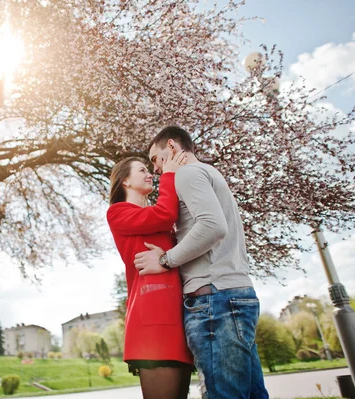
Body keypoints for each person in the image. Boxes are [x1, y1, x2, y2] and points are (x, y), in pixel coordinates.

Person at [134, 126, 269, 399]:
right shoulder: (209, 172)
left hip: (214, 302)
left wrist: (165, 260)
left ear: (171, 147)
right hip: (233, 296)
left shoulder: (187, 173)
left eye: (155, 159)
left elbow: (212, 226)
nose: (156, 170)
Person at [106, 151, 193, 399]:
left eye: (149, 169)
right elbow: (164, 214)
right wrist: (169, 175)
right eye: (142, 170)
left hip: (177, 315)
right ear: (125, 181)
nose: (149, 174)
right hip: (153, 321)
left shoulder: (157, 218)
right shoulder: (118, 212)